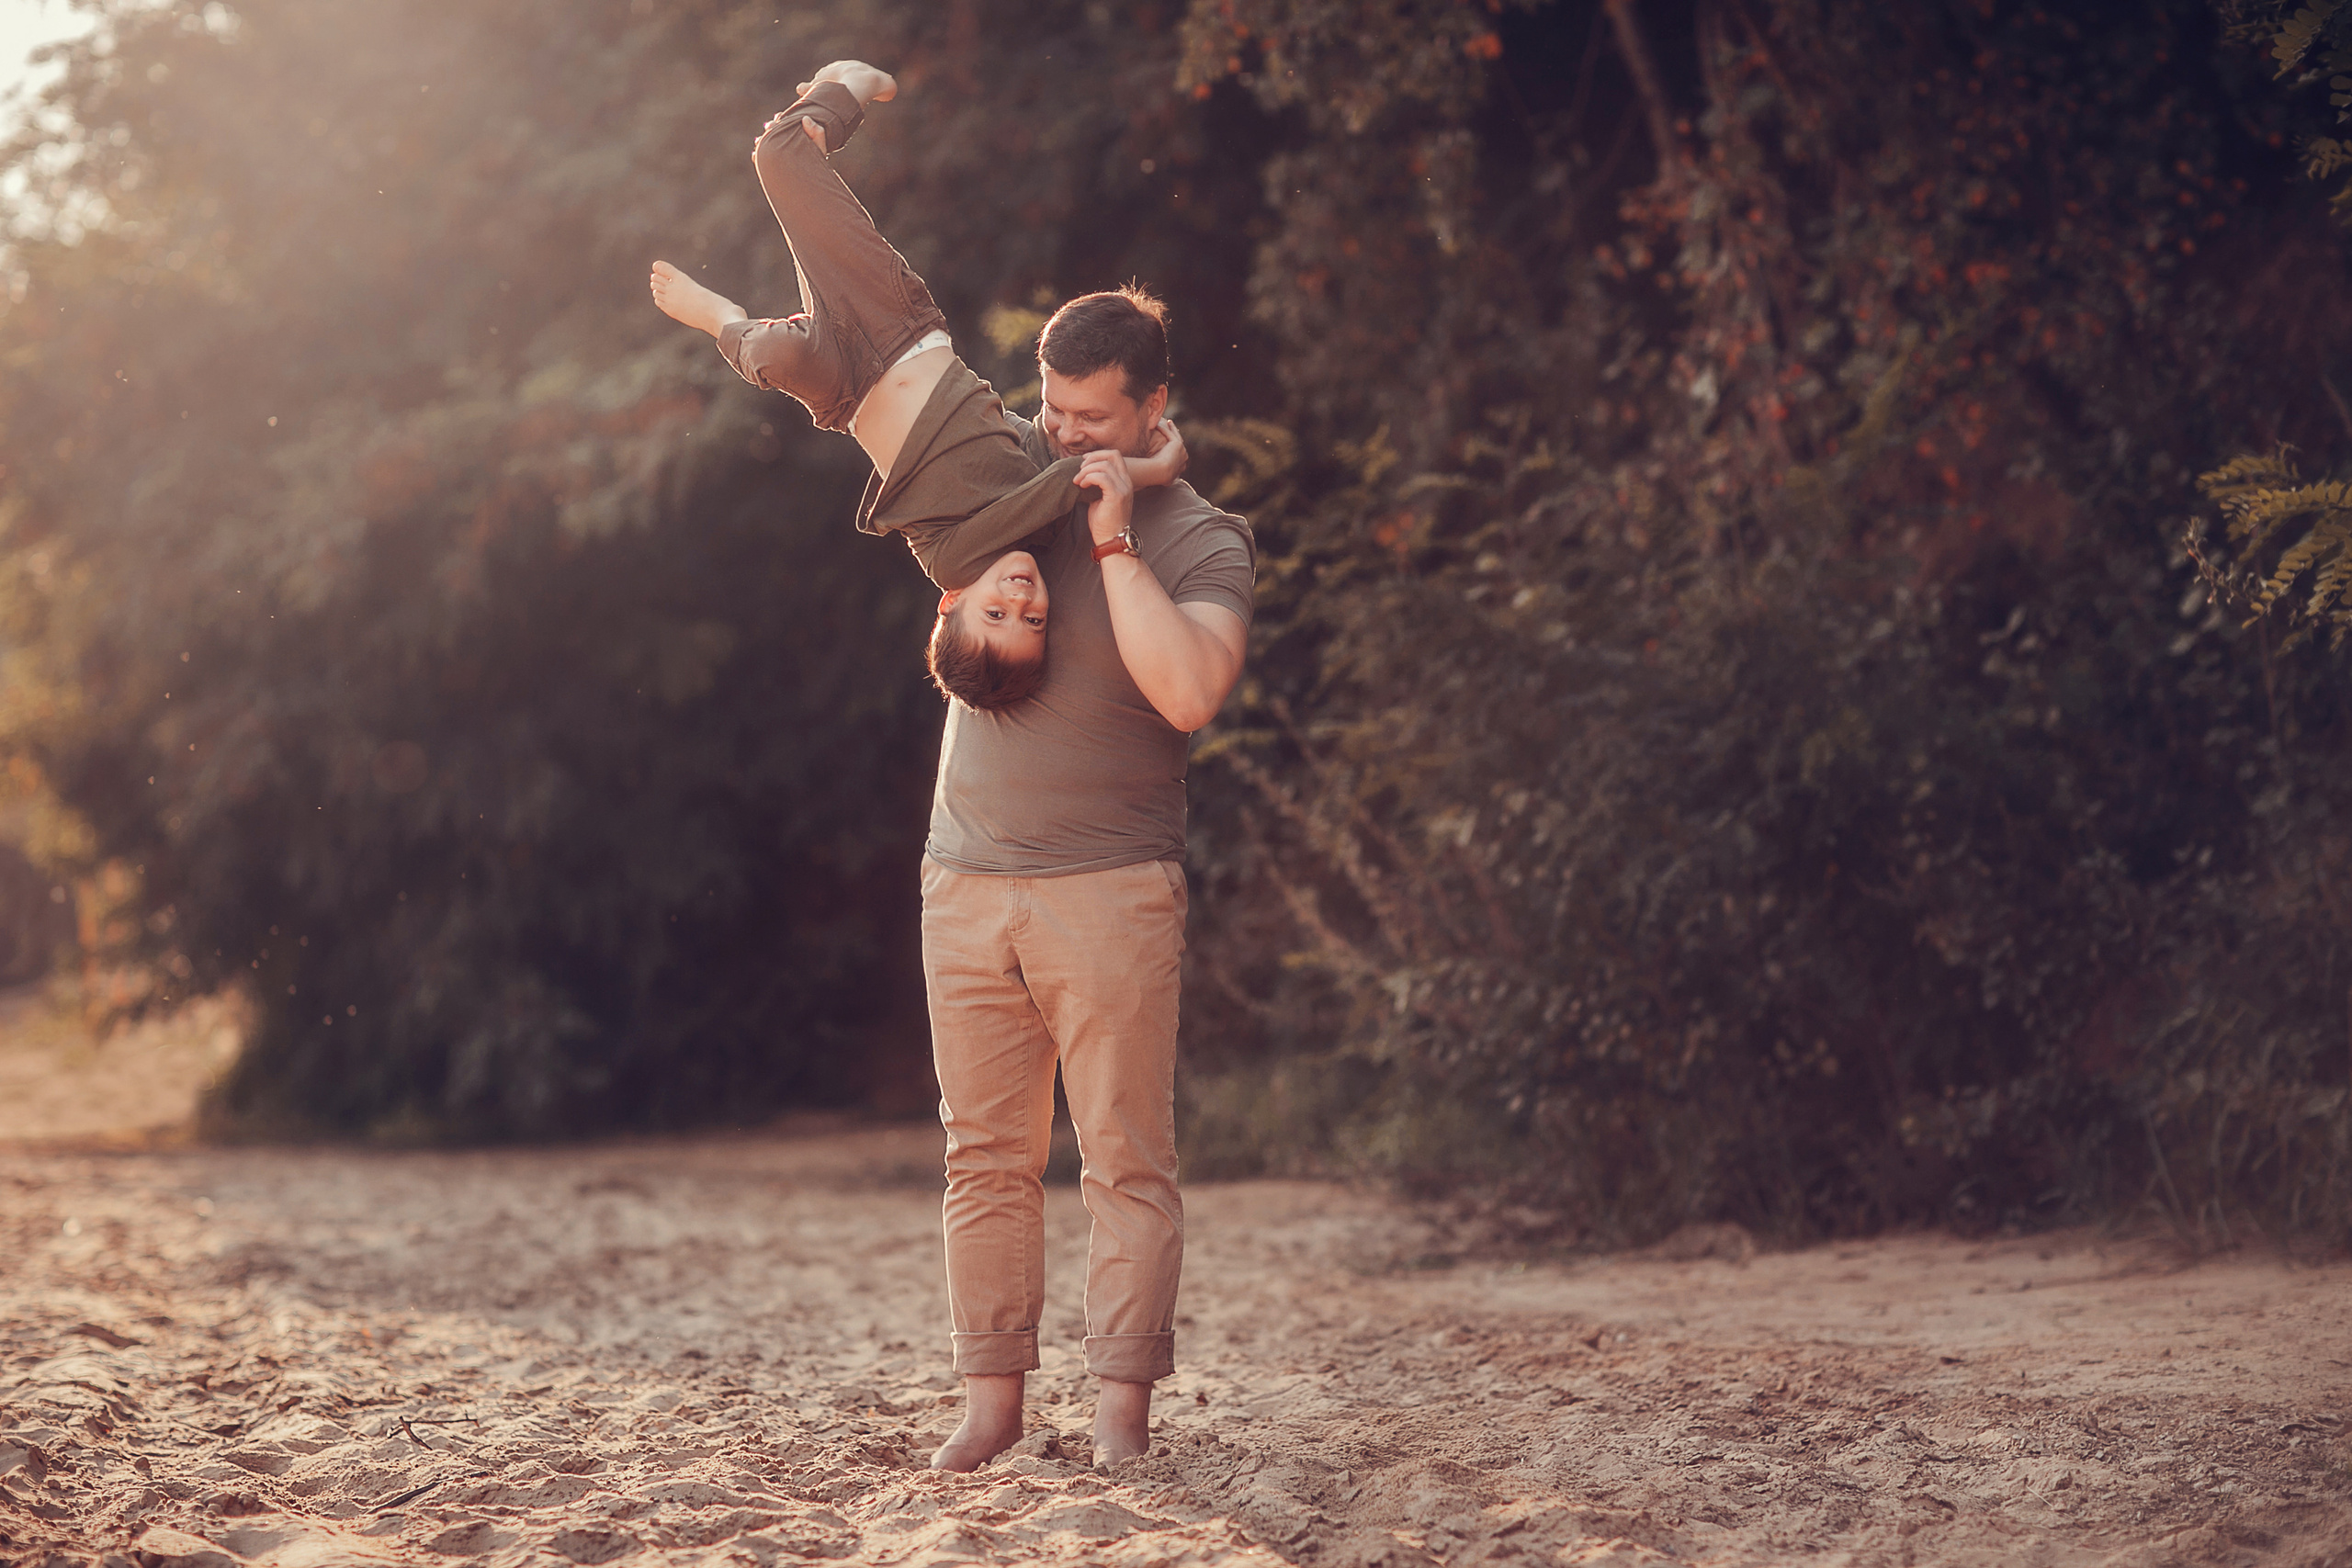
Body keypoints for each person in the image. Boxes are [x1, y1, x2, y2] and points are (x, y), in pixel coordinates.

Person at [920, 290, 1254, 1465]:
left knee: (1123, 1158)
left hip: (1111, 891)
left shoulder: (1204, 540)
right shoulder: (1017, 471)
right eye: (1052, 408)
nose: (1061, 434)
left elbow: (1190, 692)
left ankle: (1119, 1414)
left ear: (1152, 404)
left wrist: (1118, 532)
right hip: (962, 883)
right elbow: (897, 425)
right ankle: (991, 1409)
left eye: (1091, 418)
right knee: (982, 1156)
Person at [645, 62, 1185, 709]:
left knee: (775, 345)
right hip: (894, 340)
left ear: (950, 603)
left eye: (996, 616)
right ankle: (840, 95)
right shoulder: (1040, 526)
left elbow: (1081, 477)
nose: (1019, 600)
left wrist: (1157, 470)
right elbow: (1047, 450)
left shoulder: (955, 561)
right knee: (780, 157)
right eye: (1034, 620)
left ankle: (723, 318)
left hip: (850, 383)